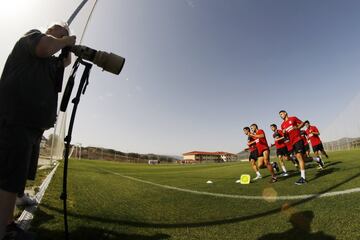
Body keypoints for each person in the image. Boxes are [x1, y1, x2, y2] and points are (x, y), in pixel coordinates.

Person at [0, 22, 76, 240]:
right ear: (51, 31)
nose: (60, 31)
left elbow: (64, 62)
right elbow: (44, 47)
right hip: (16, 118)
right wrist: (66, 40)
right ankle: (4, 232)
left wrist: (67, 47)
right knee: (8, 176)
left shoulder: (52, 60)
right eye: (58, 29)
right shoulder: (34, 37)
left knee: (17, 175)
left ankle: (8, 220)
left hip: (32, 125)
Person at [279, 110, 308, 185]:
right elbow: (285, 136)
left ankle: (303, 178)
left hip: (298, 139)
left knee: (299, 157)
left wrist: (297, 127)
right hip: (292, 143)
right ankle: (317, 159)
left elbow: (302, 123)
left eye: (281, 114)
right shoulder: (282, 125)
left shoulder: (293, 118)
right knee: (303, 158)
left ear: (285, 113)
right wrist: (284, 133)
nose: (281, 115)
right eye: (280, 115)